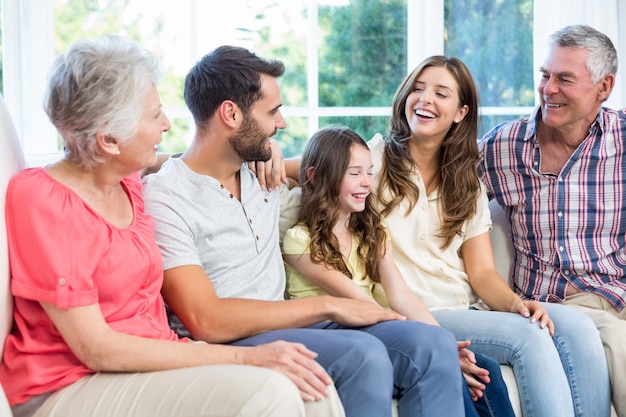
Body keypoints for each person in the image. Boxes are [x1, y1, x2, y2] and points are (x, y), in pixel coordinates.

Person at [0, 35, 346, 417]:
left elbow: (195, 160)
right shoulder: (45, 200)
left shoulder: (123, 178)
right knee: (272, 390)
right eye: (154, 116)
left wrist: (264, 149)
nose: (167, 123)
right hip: (69, 383)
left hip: (149, 358)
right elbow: (95, 347)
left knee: (312, 386)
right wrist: (247, 359)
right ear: (109, 140)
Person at [142, 45, 466, 417]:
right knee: (363, 355)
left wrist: (272, 152)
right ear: (230, 114)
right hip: (235, 339)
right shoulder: (166, 198)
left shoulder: (261, 175)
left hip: (294, 324)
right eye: (272, 112)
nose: (280, 124)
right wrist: (329, 305)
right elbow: (205, 320)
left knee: (433, 344)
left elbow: (326, 171)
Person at [370, 55, 610, 417]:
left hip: (463, 307)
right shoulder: (369, 160)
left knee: (576, 325)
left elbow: (481, 273)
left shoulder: (466, 180)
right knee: (530, 339)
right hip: (411, 311)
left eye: (441, 93)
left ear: (461, 113)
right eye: (417, 89)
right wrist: (272, 155)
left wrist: (516, 304)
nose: (425, 100)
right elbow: (310, 164)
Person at [282, 125, 516, 417]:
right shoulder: (299, 241)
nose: (367, 182)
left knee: (486, 368)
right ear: (316, 177)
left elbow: (400, 292)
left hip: (372, 324)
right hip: (331, 329)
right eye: (354, 173)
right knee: (445, 364)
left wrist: (444, 341)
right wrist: (435, 348)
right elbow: (357, 301)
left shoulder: (372, 231)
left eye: (370, 172)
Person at [478, 24, 624, 416]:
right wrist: (308, 163)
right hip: (555, 303)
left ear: (603, 86)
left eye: (564, 78)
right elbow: (418, 166)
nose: (548, 88)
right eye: (545, 75)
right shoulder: (502, 147)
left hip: (618, 293)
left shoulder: (623, 140)